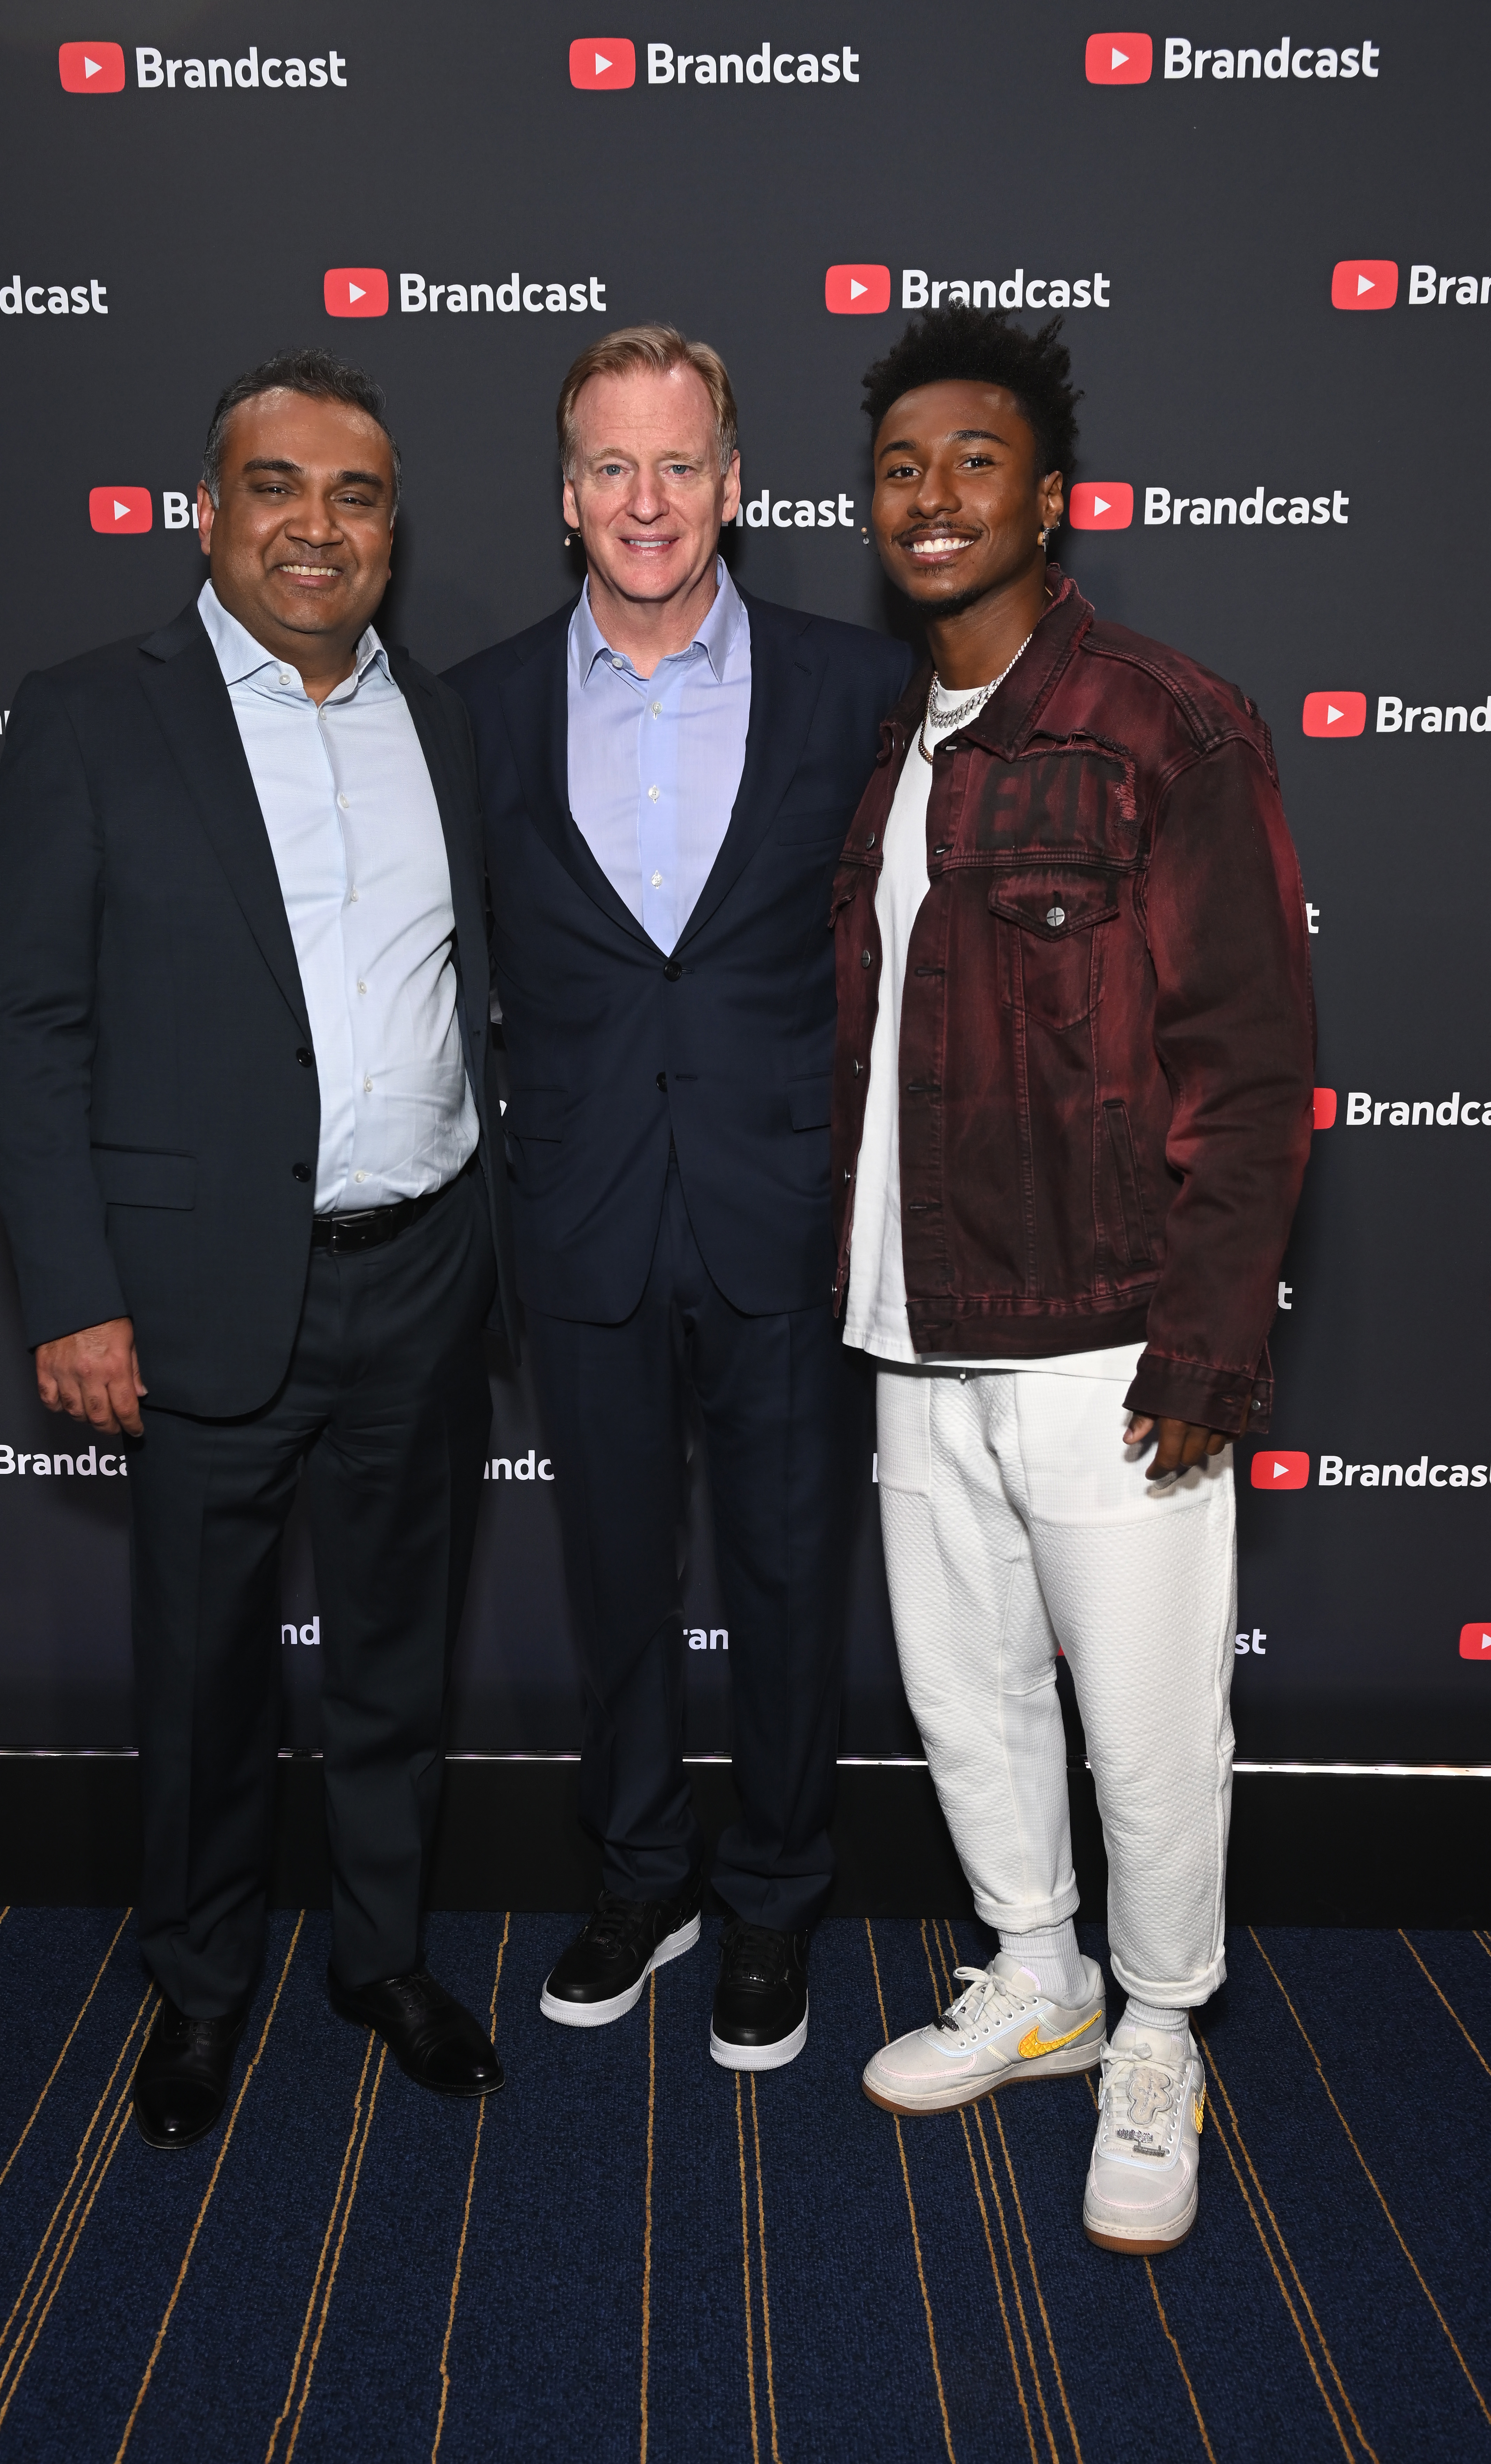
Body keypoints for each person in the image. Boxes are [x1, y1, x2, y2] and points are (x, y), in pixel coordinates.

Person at [0, 349, 516, 2145]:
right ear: (205, 513)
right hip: (198, 1291)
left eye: (355, 495)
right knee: (203, 1672)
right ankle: (198, 1986)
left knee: (392, 1653)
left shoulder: (435, 716)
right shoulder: (87, 713)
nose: (316, 524)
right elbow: (32, 1027)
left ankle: (379, 1955)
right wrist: (77, 1293)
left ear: (391, 530)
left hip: (421, 1267)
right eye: (277, 487)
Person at [833, 305, 1312, 2249]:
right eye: (896, 466)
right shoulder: (898, 742)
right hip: (906, 1321)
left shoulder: (1159, 723)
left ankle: (1161, 2033)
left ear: (1052, 497)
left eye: (971, 459)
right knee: (965, 1701)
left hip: (1108, 1333)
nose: (929, 495)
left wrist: (1206, 1335)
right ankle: (1040, 1979)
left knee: (1144, 1721)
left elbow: (1248, 1056)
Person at [447, 327, 911, 2070]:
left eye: (680, 464)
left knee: (794, 1576)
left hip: (786, 1210)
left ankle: (777, 1893)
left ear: (735, 481)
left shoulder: (846, 688)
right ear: (568, 498)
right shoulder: (479, 704)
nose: (649, 501)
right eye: (612, 469)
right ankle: (644, 1874)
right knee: (614, 1575)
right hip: (579, 1216)